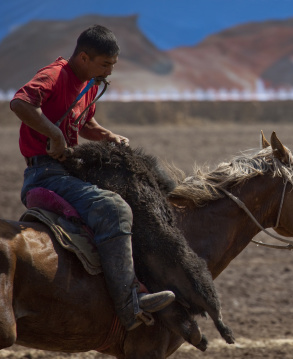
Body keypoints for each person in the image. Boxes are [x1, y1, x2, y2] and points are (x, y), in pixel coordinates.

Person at [10, 24, 174, 331]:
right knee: (115, 209)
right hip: (44, 174)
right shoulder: (55, 75)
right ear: (84, 57)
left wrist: (107, 135)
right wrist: (55, 134)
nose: (109, 71)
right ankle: (129, 303)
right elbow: (20, 103)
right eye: (105, 64)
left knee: (133, 196)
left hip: (65, 170)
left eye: (113, 64)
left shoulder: (87, 84)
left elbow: (85, 123)